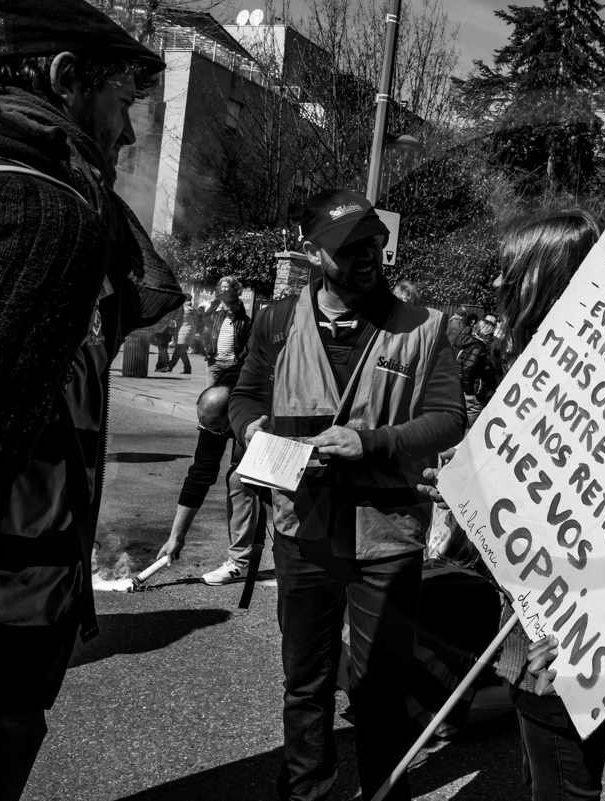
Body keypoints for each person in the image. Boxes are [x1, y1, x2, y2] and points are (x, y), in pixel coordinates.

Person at [0, 3, 182, 797]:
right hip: (3, 603)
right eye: (124, 102)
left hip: (28, 585)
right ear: (65, 78)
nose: (130, 135)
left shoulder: (20, 191)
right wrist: (75, 176)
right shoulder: (39, 213)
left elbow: (155, 291)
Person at [229, 189, 465, 801]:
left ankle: (384, 792)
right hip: (301, 526)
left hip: (386, 534)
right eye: (349, 246)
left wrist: (376, 442)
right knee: (304, 680)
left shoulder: (427, 328)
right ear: (314, 253)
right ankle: (309, 787)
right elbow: (246, 395)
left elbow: (448, 418)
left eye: (373, 242)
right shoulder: (276, 321)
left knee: (378, 685)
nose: (367, 256)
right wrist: (250, 427)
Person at [421, 212, 605, 801]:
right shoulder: (542, 374)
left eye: (513, 272)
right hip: (531, 627)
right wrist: (468, 486)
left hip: (566, 642)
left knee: (561, 786)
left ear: (548, 279)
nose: (498, 286)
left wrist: (575, 628)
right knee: (543, 778)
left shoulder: (593, 384)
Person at [156, 364, 264, 586]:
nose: (213, 435)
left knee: (271, 481)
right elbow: (200, 474)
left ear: (232, 417)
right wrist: (176, 536)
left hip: (274, 420)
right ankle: (240, 563)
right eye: (204, 426)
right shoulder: (214, 419)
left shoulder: (258, 395)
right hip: (243, 421)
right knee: (240, 478)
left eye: (219, 431)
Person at [204, 275, 251, 387]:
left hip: (232, 362)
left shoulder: (241, 314)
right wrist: (207, 348)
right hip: (215, 360)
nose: (224, 289)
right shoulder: (216, 305)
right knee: (209, 392)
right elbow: (205, 329)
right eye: (222, 286)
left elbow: (248, 341)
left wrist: (240, 358)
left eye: (227, 286)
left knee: (227, 392)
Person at [455, 314, 499, 430]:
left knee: (462, 427)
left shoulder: (469, 343)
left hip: (460, 390)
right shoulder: (480, 347)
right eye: (491, 335)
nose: (493, 337)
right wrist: (470, 394)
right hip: (472, 394)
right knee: (474, 430)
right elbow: (468, 369)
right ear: (484, 334)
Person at [169, 298, 197, 374]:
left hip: (182, 331)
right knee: (180, 350)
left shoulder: (183, 309)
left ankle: (186, 368)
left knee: (180, 350)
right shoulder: (194, 310)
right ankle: (171, 366)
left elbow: (177, 321)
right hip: (190, 331)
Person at [151, 305, 182, 372]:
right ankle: (159, 366)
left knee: (162, 347)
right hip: (170, 329)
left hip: (160, 327)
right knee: (163, 347)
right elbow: (179, 317)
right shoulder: (179, 303)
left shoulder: (165, 300)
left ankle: (166, 365)